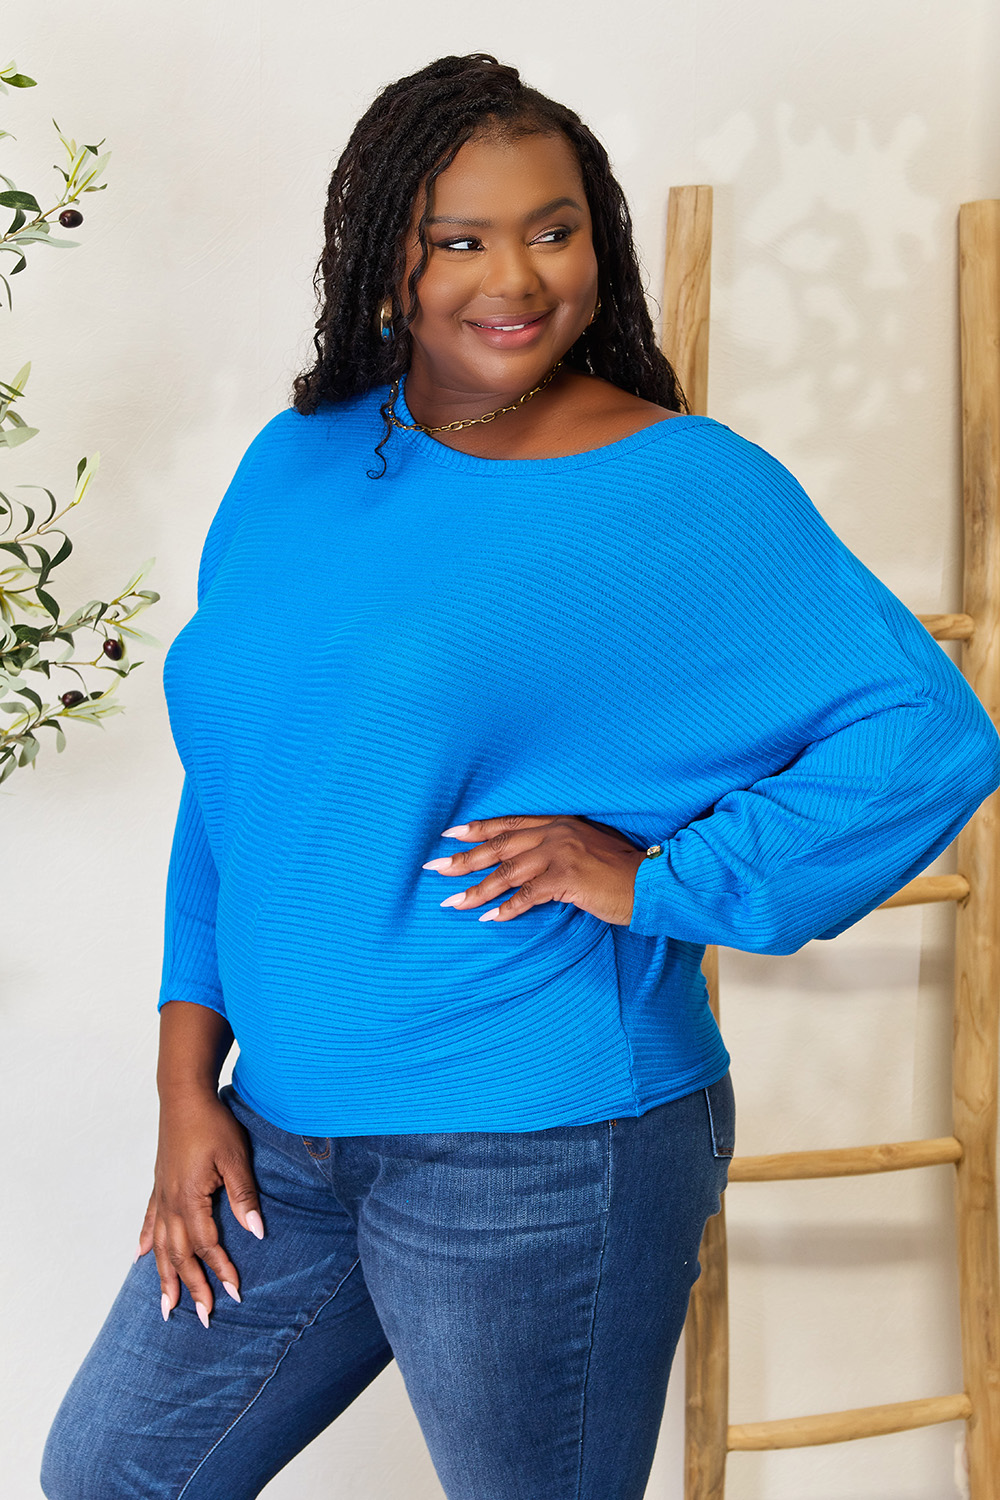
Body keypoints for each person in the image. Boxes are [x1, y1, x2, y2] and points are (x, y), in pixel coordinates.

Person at [41, 52, 1000, 1500]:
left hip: (540, 1141)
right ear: (386, 259)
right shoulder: (297, 460)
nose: (518, 278)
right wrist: (188, 1086)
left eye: (555, 230)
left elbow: (927, 733)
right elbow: (237, 785)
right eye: (461, 239)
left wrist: (663, 880)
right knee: (115, 1472)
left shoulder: (685, 482)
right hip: (281, 1132)